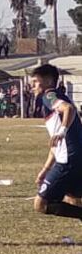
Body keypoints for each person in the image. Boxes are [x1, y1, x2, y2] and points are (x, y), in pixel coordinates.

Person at [30, 64, 82, 220]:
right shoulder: (57, 96)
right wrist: (46, 169)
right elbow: (56, 144)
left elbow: (68, 109)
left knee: (40, 204)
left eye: (36, 82)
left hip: (69, 160)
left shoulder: (49, 96)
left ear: (48, 81)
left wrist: (62, 131)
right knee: (72, 199)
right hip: (75, 157)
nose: (33, 86)